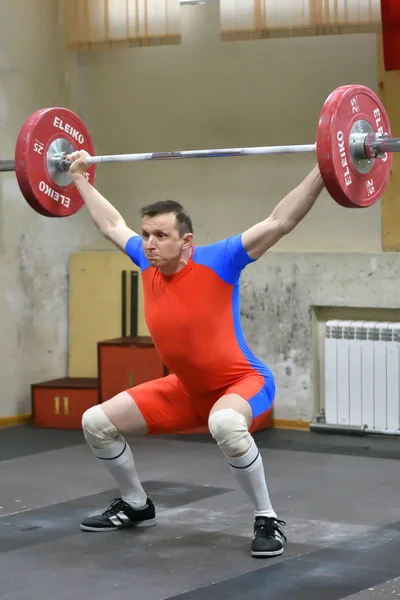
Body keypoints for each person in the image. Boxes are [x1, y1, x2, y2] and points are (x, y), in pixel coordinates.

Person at [67, 149, 325, 557]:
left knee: (225, 424)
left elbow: (281, 220)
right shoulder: (145, 261)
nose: (148, 244)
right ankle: (136, 505)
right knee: (95, 422)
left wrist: (326, 167)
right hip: (186, 391)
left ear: (186, 241)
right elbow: (111, 224)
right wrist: (79, 177)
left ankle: (267, 518)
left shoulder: (220, 259)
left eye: (160, 236)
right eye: (146, 234)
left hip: (242, 383)